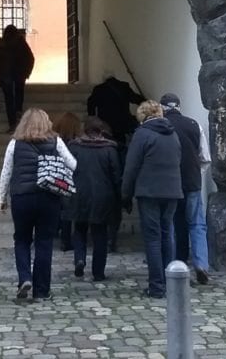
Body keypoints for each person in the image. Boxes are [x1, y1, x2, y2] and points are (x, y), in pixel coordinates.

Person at [0, 108, 77, 300]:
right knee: (44, 242)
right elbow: (73, 164)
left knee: (22, 239)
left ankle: (25, 278)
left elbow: (6, 172)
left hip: (22, 197)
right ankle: (42, 290)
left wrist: (2, 198)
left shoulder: (14, 144)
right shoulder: (55, 141)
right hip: (48, 196)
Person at [121, 100, 182, 298]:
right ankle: (171, 281)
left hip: (149, 192)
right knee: (167, 234)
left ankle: (156, 285)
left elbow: (131, 167)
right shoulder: (172, 134)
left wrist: (125, 194)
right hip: (172, 190)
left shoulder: (142, 134)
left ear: (142, 115)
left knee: (153, 238)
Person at [87, 74, 144, 251]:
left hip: (105, 128)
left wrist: (92, 118)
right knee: (120, 156)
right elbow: (135, 99)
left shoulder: (99, 90)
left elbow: (90, 104)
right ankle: (122, 193)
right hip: (121, 129)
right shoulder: (124, 87)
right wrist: (145, 100)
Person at [161, 93, 212, 285]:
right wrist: (197, 175)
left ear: (162, 108)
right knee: (197, 225)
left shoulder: (160, 127)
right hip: (192, 183)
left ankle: (174, 265)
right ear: (179, 107)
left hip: (168, 184)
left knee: (172, 225)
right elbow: (205, 157)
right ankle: (201, 265)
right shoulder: (193, 125)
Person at [67, 117, 122, 281]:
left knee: (79, 229)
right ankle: (98, 271)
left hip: (80, 193)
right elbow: (116, 175)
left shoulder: (75, 147)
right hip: (103, 195)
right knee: (100, 234)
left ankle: (79, 258)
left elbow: (68, 169)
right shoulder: (109, 149)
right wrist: (120, 196)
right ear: (101, 130)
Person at [0, 25, 35, 131]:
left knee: (9, 100)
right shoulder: (21, 44)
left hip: (6, 76)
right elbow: (30, 58)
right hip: (19, 75)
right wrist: (26, 73)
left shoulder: (1, 45)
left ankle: (12, 123)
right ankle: (18, 117)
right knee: (18, 96)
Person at [52, 112, 82, 252]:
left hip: (56, 177)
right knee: (67, 209)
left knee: (61, 208)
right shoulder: (76, 144)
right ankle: (67, 240)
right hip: (71, 179)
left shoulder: (53, 142)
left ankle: (59, 233)